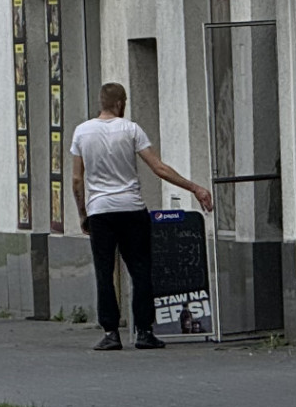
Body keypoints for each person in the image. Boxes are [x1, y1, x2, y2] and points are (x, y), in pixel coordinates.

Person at [69, 82, 214, 350]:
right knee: (141, 270)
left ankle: (111, 333)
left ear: (101, 103)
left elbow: (77, 179)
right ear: (120, 103)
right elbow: (158, 168)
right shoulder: (131, 129)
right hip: (132, 209)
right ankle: (144, 332)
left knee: (104, 272)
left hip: (100, 211)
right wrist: (195, 188)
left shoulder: (81, 132)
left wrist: (83, 213)